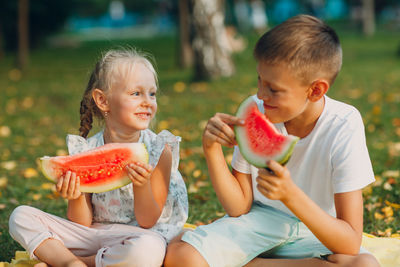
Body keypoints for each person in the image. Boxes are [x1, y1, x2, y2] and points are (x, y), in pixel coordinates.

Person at [164, 15, 380, 267]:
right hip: (259, 223)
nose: (260, 94)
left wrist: (290, 196)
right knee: (181, 258)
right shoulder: (256, 110)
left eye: (273, 89)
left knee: (365, 265)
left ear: (316, 90)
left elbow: (350, 242)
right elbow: (239, 207)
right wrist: (211, 150)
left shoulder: (344, 124)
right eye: (259, 80)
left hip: (317, 228)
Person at [9, 48, 188, 267]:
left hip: (141, 236)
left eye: (152, 93)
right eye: (136, 93)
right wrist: (74, 195)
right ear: (103, 101)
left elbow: (148, 220)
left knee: (149, 250)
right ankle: (71, 263)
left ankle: (75, 262)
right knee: (20, 217)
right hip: (93, 234)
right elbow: (82, 222)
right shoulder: (85, 151)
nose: (147, 102)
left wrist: (142, 185)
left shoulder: (160, 150)